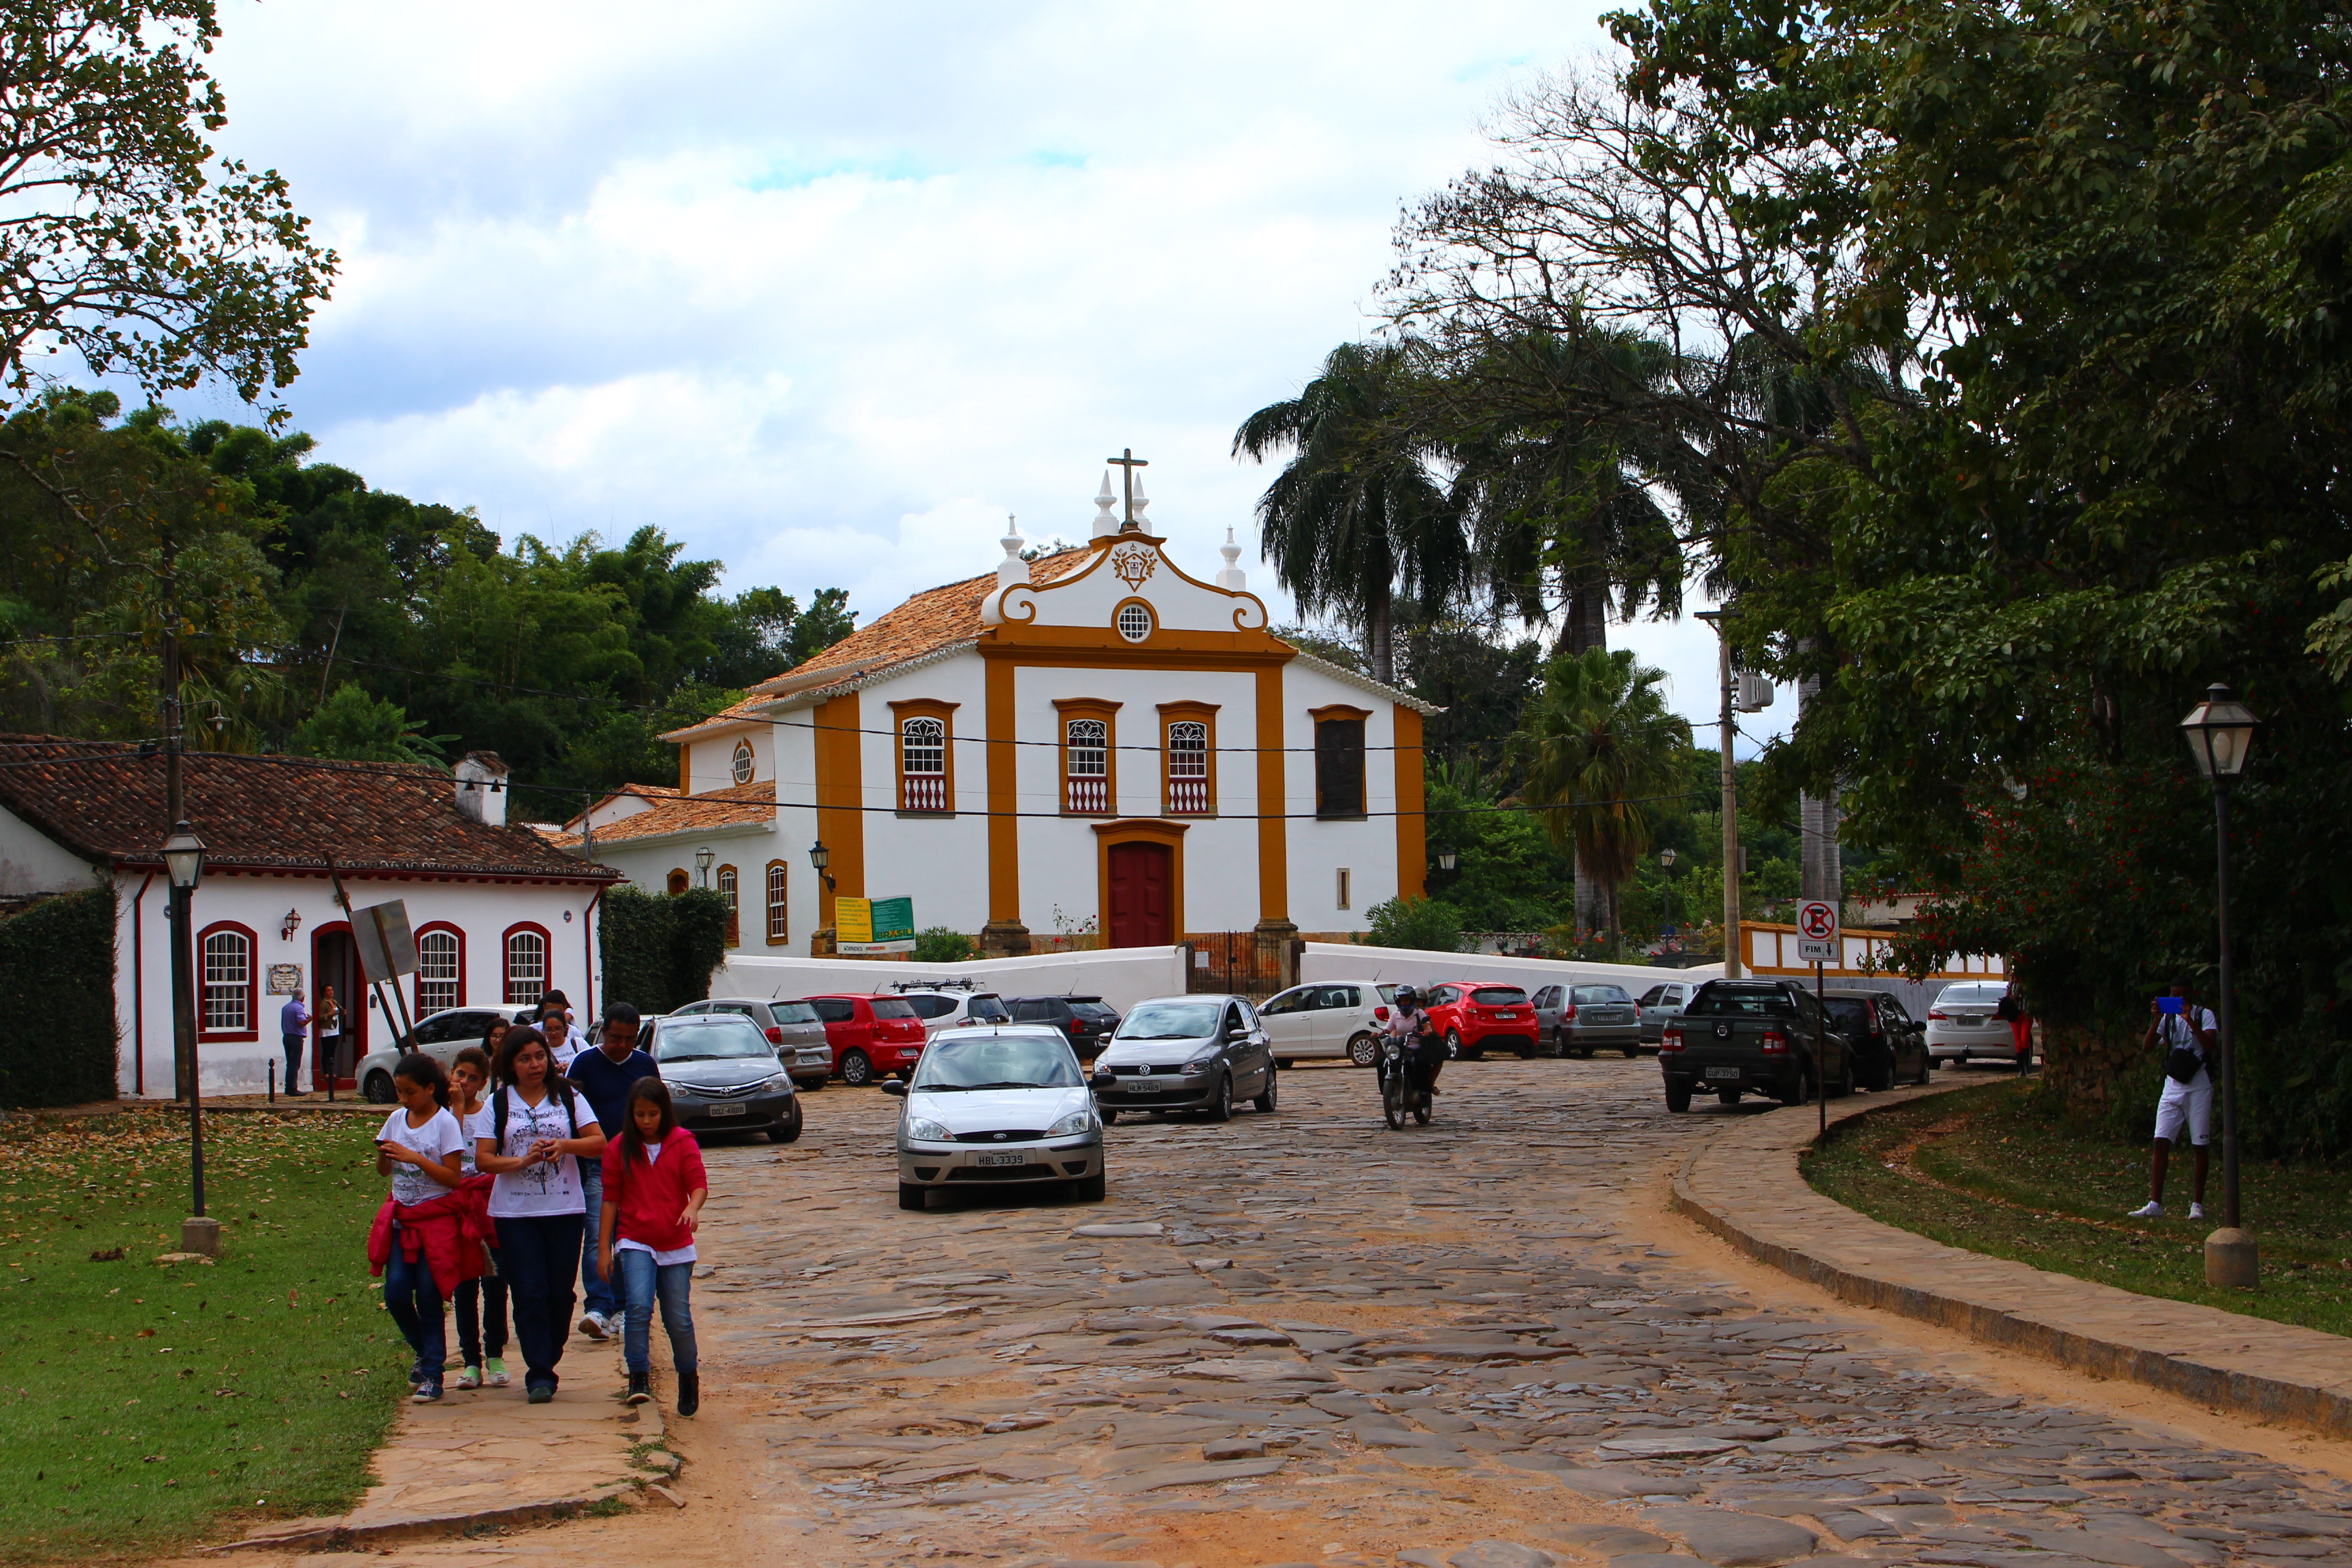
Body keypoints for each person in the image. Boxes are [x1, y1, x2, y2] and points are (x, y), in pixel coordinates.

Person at [477, 1026, 606, 1403]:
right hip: (515, 1213)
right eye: (524, 1058)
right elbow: (483, 1159)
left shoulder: (568, 1096)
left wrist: (564, 1144)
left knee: (560, 1293)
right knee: (528, 1290)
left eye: (539, 1056)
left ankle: (549, 1356)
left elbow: (599, 1143)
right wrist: (522, 1160)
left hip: (565, 1208)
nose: (534, 1065)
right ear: (510, 1065)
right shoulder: (498, 1104)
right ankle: (539, 1371)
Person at [598, 1077, 706, 1415]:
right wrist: (604, 1248)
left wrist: (692, 1208)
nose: (646, 1122)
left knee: (678, 1317)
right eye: (640, 1115)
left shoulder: (682, 1142)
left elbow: (698, 1185)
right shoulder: (618, 1148)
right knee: (639, 1307)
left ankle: (687, 1374)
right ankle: (639, 1376)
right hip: (635, 1239)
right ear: (630, 1115)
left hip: (675, 1241)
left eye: (653, 1114)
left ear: (665, 1113)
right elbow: (610, 1200)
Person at [374, 1052, 468, 1403]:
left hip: (437, 1221)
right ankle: (424, 1352)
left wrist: (416, 1158)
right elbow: (384, 1172)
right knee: (396, 1294)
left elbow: (454, 1178)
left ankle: (433, 1373)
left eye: (409, 1092)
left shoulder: (445, 1123)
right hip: (403, 1221)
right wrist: (385, 1153)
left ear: (431, 1089)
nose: (402, 1099)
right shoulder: (397, 1119)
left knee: (429, 1295)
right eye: (399, 1091)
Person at [566, 1002, 659, 1341]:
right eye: (615, 1038)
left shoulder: (645, 1065)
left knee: (630, 1237)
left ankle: (623, 1306)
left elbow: (659, 1113)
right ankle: (598, 1305)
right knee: (597, 1236)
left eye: (628, 1039)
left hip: (637, 1164)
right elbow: (568, 1111)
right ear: (603, 1033)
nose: (621, 1045)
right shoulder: (585, 1063)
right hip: (596, 1166)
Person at [448, 1046, 510, 1390]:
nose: (466, 1082)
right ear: (450, 1074)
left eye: (474, 1078)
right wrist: (455, 1108)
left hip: (487, 1201)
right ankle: (470, 1360)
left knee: (495, 1282)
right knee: (465, 1286)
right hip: (456, 1203)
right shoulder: (441, 1114)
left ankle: (496, 1352)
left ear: (485, 1083)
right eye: (461, 1075)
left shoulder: (489, 1113)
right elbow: (449, 1151)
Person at [2130, 981, 2218, 1220]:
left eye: (2180, 997)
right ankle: (2155, 1203)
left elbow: (2210, 1045)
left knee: (2200, 1145)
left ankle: (2197, 1205)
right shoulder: (2168, 1020)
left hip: (2198, 1087)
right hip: (2172, 1087)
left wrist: (2190, 1020)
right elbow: (2147, 1047)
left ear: (2190, 996)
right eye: (2172, 996)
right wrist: (2157, 1019)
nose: (2176, 1001)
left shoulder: (2204, 1015)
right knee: (2161, 1141)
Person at [1383, 985, 1444, 1102]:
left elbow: (1427, 1025)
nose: (1404, 1002)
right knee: (1382, 1063)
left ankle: (1423, 1090)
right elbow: (1387, 1030)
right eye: (1402, 1000)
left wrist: (1427, 1030)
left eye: (1407, 999)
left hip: (1417, 1047)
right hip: (1401, 1048)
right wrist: (1378, 1034)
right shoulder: (1395, 1015)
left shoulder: (1419, 1013)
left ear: (1412, 1000)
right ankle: (1387, 1090)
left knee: (1422, 1062)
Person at [539, 990, 588, 1068]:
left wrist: (571, 1068)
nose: (554, 1033)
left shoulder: (578, 1042)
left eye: (557, 1029)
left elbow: (591, 1064)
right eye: (549, 1029)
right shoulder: (540, 1047)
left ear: (565, 1028)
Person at [1995, 983, 2034, 1075]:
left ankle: (2027, 1066)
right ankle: (2022, 1069)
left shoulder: (2028, 983)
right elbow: (2007, 997)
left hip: (2027, 1014)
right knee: (2018, 1041)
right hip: (2014, 1014)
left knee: (2025, 1039)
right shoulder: (2012, 984)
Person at [279, 990, 312, 1095]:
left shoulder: (286, 1007)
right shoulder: (299, 1008)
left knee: (290, 1063)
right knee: (295, 1064)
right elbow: (301, 1022)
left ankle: (289, 1087)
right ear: (303, 998)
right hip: (296, 1037)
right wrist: (310, 1019)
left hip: (287, 1036)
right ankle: (292, 1088)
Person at [316, 985, 342, 1086]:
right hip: (326, 1030)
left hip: (335, 1029)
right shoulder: (323, 1004)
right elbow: (319, 1017)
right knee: (326, 1051)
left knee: (332, 1051)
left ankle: (332, 1071)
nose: (331, 992)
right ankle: (326, 1072)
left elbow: (339, 1010)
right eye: (328, 990)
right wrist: (329, 1014)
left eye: (332, 990)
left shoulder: (334, 1002)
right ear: (324, 993)